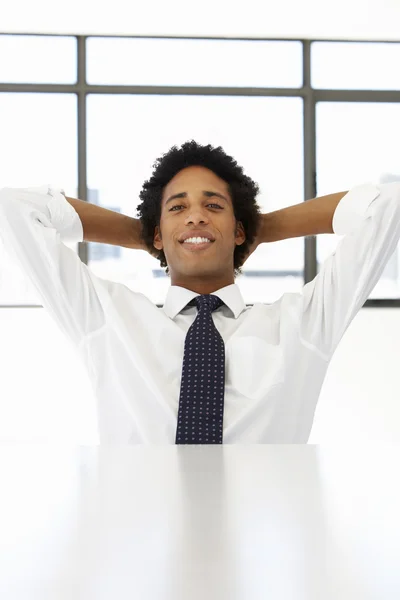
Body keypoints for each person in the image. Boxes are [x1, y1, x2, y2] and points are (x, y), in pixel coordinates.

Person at [0, 140, 399, 444]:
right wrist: (144, 235)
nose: (195, 215)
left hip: (264, 548)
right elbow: (12, 208)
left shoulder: (303, 324)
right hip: (133, 548)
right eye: (176, 208)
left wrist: (262, 228)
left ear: (240, 229)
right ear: (158, 232)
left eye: (214, 206)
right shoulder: (107, 317)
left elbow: (389, 204)